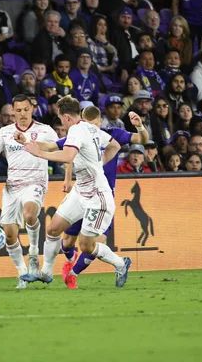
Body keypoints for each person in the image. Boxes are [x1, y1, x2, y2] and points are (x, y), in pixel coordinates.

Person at [19, 97, 131, 287]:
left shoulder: (77, 131)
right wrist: (28, 142)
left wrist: (39, 154)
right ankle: (46, 272)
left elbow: (68, 156)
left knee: (87, 246)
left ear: (65, 117)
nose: (61, 122)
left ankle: (121, 263)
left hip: (97, 195)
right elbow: (115, 146)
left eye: (60, 119)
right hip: (81, 191)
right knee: (53, 229)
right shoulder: (90, 128)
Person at [0, 95, 58, 289]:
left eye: (26, 109)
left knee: (29, 213)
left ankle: (34, 254)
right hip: (12, 187)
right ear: (13, 112)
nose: (22, 114)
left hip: (35, 182)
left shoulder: (45, 130)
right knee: (10, 234)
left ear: (32, 109)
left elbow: (61, 149)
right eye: (18, 111)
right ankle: (23, 274)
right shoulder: (5, 132)